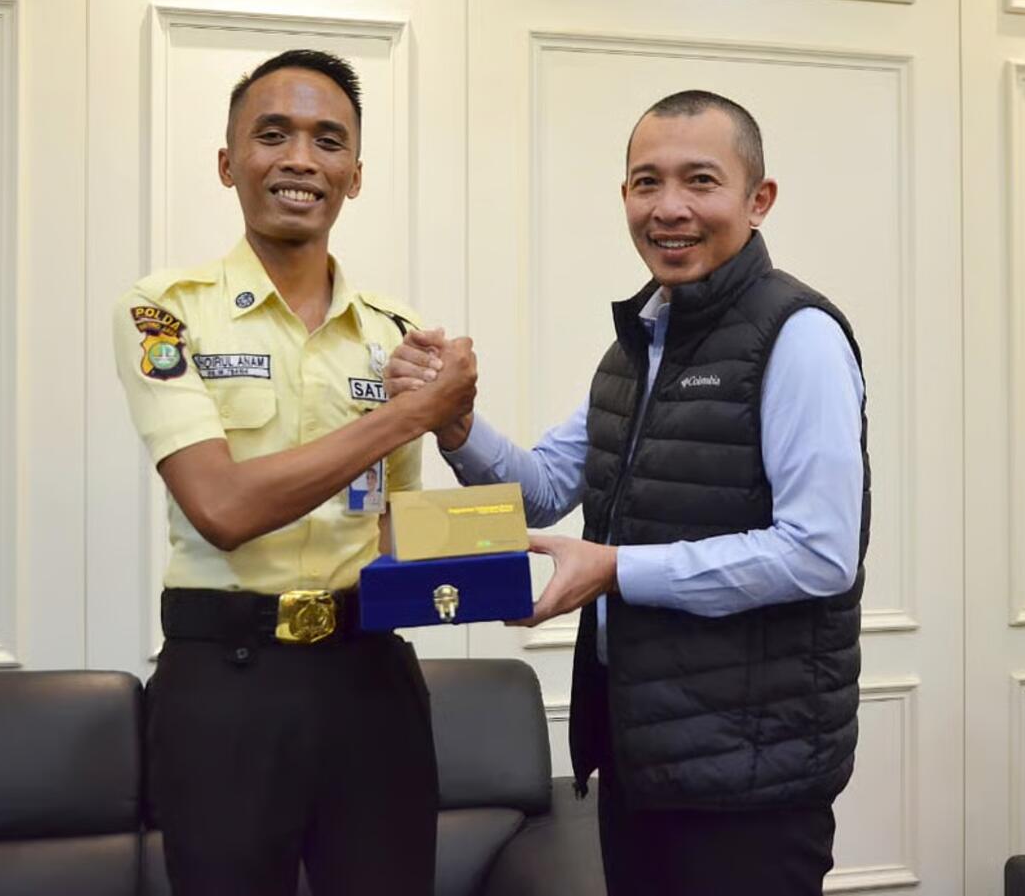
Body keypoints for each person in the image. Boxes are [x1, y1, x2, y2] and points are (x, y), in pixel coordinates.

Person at [388, 90, 868, 896]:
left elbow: (819, 553)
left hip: (750, 783)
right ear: (624, 196)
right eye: (648, 182)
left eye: (700, 181)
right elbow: (543, 491)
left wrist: (615, 569)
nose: (669, 207)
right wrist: (455, 423)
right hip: (639, 760)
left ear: (759, 199)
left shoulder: (800, 335)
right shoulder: (636, 348)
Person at [113, 49, 475, 896]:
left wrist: (471, 466)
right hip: (225, 680)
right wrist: (410, 414)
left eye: (328, 140)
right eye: (272, 135)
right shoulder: (164, 310)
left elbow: (398, 535)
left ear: (356, 175)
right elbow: (221, 506)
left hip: (370, 676)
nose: (301, 159)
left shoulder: (398, 332)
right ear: (227, 161)